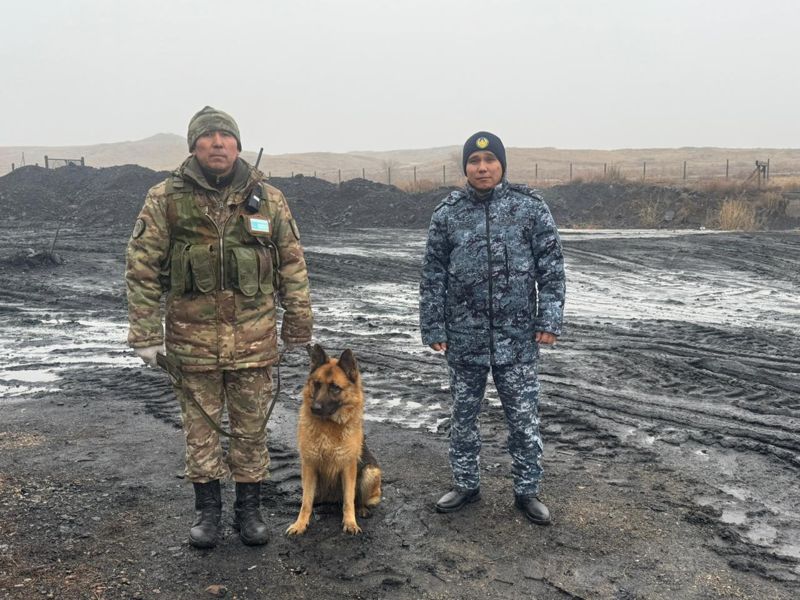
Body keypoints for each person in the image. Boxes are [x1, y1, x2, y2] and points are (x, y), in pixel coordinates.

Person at [126, 106, 312, 548]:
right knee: (201, 432)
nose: (216, 143)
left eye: (224, 137)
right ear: (193, 146)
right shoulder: (165, 198)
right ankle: (207, 513)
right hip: (192, 345)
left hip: (255, 342)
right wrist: (147, 335)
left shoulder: (268, 199)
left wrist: (299, 327)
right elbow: (142, 268)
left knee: (251, 430)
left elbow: (292, 264)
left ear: (238, 145)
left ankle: (249, 510)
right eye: (207, 137)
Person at [419, 131, 565, 524]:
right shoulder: (447, 214)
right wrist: (433, 327)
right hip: (463, 338)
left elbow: (552, 269)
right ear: (465, 167)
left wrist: (549, 319)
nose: (482, 168)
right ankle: (465, 484)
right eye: (474, 162)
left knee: (523, 417)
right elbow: (432, 275)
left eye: (489, 161)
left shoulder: (529, 209)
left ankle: (527, 491)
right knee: (463, 417)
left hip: (517, 338)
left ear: (501, 165)